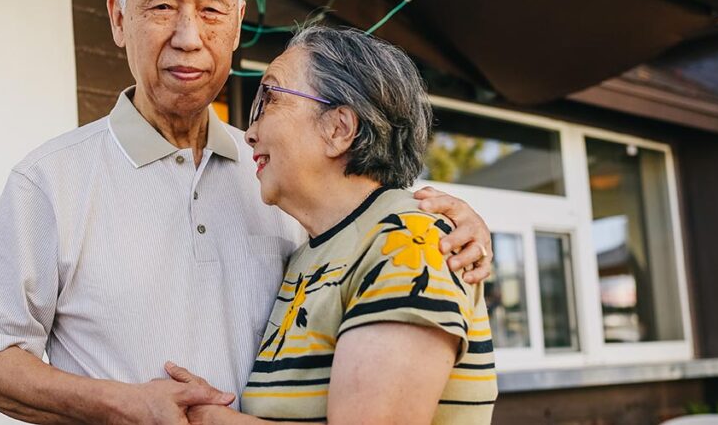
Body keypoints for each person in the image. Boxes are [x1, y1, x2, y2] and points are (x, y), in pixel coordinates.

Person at [0, 0, 495, 425]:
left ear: (237, 26)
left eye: (211, 10)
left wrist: (444, 218)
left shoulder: (275, 177)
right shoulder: (50, 180)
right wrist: (120, 406)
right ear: (119, 19)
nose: (189, 36)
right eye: (162, 6)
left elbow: (364, 232)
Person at [166, 26, 497, 424]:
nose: (250, 133)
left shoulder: (410, 244)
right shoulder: (315, 251)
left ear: (339, 128)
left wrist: (204, 419)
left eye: (268, 100)